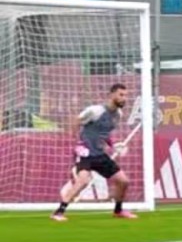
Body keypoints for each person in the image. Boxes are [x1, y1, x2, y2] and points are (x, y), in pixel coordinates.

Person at [51, 83, 136, 221]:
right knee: (83, 181)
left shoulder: (118, 114)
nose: (124, 98)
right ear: (112, 94)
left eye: (126, 95)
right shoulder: (95, 111)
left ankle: (118, 211)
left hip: (100, 154)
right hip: (85, 153)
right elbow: (76, 121)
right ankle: (59, 212)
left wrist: (113, 145)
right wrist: (76, 141)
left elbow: (104, 133)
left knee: (123, 181)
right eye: (121, 95)